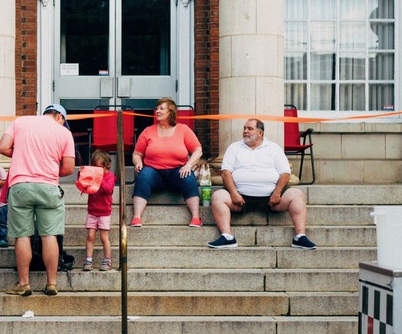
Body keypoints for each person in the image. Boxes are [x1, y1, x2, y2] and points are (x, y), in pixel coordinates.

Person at [0, 103, 76, 297]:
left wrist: (21, 155)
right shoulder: (64, 133)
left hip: (20, 186)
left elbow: (2, 147)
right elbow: (68, 168)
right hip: (48, 187)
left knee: (22, 235)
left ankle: (24, 284)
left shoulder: (21, 122)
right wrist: (47, 167)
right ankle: (51, 283)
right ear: (60, 117)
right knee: (49, 235)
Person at [206, 117, 315, 250]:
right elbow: (225, 172)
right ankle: (227, 237)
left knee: (297, 194)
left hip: (272, 197)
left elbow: (285, 173)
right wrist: (234, 193)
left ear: (260, 133)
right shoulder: (234, 147)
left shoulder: (273, 148)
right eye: (244, 128)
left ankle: (300, 237)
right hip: (240, 197)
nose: (245, 131)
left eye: (250, 128)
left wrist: (277, 193)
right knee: (218, 196)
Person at [130, 98, 203, 228]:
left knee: (188, 176)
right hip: (154, 173)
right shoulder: (148, 131)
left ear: (171, 112)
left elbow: (198, 150)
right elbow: (137, 153)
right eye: (157, 108)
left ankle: (196, 217)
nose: (157, 111)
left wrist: (188, 165)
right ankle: (136, 217)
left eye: (161, 108)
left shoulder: (183, 129)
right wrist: (138, 163)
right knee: (144, 174)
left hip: (177, 172)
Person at [81, 150, 117, 271]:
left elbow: (109, 189)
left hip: (104, 212)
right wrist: (82, 173)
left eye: (99, 167)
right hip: (92, 211)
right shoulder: (93, 175)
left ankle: (107, 260)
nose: (97, 170)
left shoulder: (110, 176)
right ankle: (88, 260)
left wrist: (100, 179)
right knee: (90, 236)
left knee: (103, 237)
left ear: (107, 165)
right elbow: (83, 184)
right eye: (94, 167)